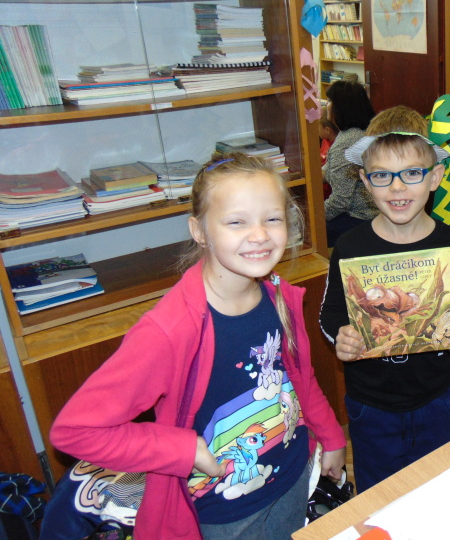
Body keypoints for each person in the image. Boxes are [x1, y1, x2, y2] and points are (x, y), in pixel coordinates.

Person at [50, 153, 346, 540]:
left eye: (272, 219)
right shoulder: (168, 330)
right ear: (200, 230)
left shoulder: (278, 295)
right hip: (224, 511)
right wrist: (183, 449)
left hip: (291, 477)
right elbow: (75, 431)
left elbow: (300, 379)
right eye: (237, 222)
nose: (260, 234)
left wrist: (331, 435)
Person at [319, 120, 450, 493]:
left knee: (432, 487)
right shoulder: (350, 246)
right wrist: (341, 336)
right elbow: (330, 312)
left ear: (435, 177)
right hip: (370, 403)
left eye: (412, 173)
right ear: (365, 181)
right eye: (382, 175)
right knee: (377, 492)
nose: (397, 187)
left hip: (435, 397)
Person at [323, 80, 378, 247]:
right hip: (373, 215)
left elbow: (340, 201)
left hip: (358, 218)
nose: (326, 105)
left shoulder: (347, 143)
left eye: (330, 101)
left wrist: (313, 217)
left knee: (307, 233)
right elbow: (330, 169)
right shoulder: (361, 132)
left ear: (341, 107)